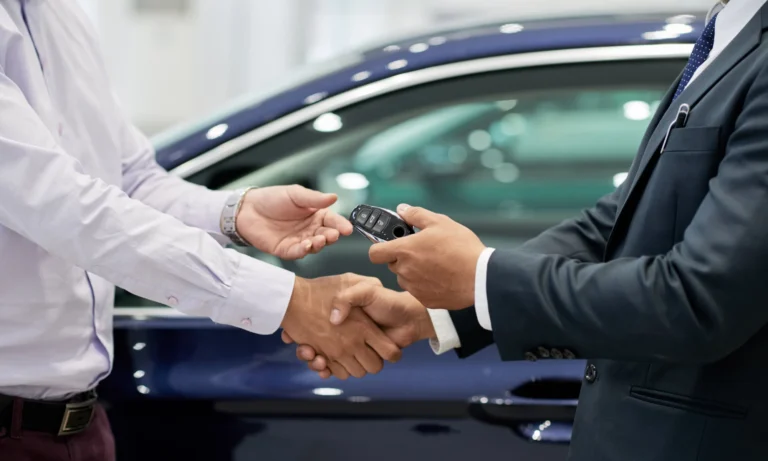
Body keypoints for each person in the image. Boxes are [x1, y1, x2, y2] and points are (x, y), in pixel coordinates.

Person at [288, 1, 768, 459]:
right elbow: (617, 223)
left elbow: (698, 299)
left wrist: (481, 278)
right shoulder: (730, 30)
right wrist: (436, 310)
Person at [0, 2, 400, 460]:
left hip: (81, 427)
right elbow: (62, 205)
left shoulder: (59, 15)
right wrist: (291, 300)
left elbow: (131, 179)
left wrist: (233, 213)